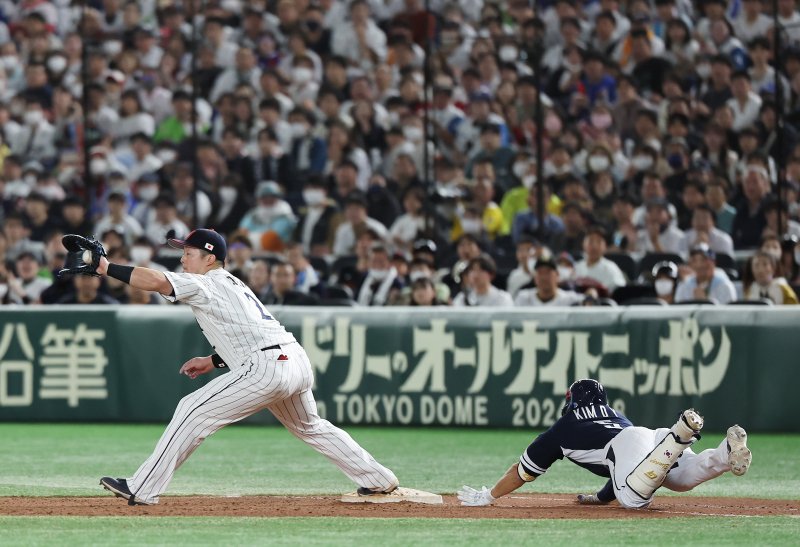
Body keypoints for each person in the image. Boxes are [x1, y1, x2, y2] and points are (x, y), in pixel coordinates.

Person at [97, 229, 400, 505]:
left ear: (210, 258)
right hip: (293, 359)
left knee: (192, 409)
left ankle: (143, 486)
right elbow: (247, 331)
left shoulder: (209, 282)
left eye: (189, 253)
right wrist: (213, 360)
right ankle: (378, 479)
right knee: (312, 427)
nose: (183, 258)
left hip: (267, 366)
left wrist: (106, 268)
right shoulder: (233, 283)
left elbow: (157, 281)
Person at [458, 379, 752, 509]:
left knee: (634, 500)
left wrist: (490, 495)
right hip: (649, 436)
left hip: (634, 444)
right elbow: (619, 468)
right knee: (682, 478)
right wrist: (599, 499)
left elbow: (522, 471)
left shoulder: (563, 427)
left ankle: (679, 436)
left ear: (572, 400)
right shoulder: (614, 414)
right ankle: (726, 454)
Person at [573, 226, 627, 293]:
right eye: (591, 241)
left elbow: (619, 291)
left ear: (605, 246)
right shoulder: (577, 267)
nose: (594, 246)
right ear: (583, 244)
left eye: (599, 242)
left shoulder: (611, 268)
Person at [514, 255, 585, 307]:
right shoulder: (523, 298)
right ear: (535, 278)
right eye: (540, 272)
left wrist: (591, 294)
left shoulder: (569, 299)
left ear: (557, 275)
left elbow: (587, 300)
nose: (544, 277)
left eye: (548, 272)